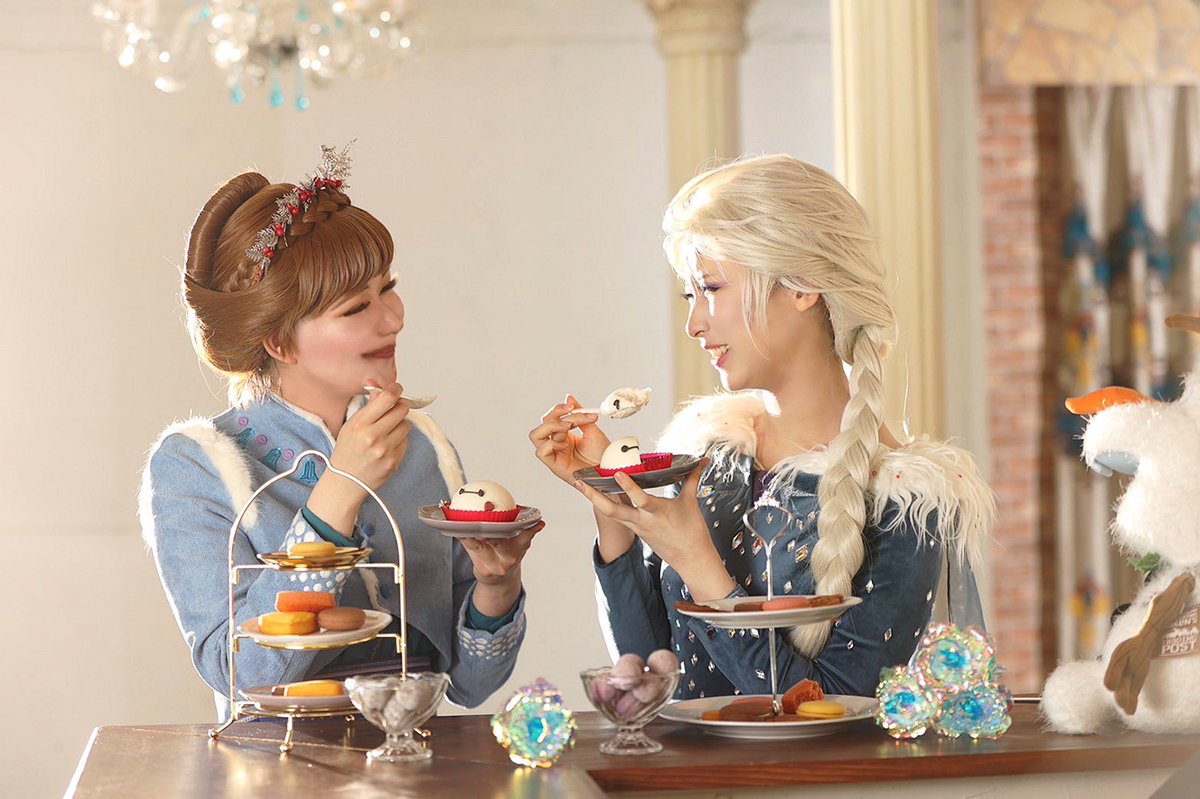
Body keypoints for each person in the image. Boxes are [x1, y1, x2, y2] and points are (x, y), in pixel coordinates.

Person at [530, 155, 992, 699]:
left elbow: (832, 706)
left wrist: (699, 564)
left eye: (712, 288)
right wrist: (614, 505)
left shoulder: (906, 500)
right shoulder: (707, 458)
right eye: (690, 295)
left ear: (802, 286)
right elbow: (646, 677)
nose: (694, 324)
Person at [141, 146, 538, 718]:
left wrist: (497, 586)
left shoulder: (423, 445)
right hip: (274, 764)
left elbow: (470, 686)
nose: (394, 318)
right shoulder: (196, 465)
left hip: (414, 757)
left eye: (388, 287)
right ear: (279, 341)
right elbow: (239, 672)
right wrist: (340, 490)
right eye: (356, 308)